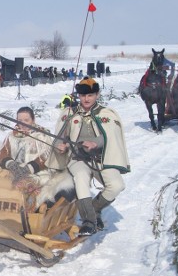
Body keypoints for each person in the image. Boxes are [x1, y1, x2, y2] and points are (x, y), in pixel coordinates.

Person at [50, 77, 130, 236]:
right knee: (80, 177)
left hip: (101, 158)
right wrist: (60, 145)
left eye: (90, 95)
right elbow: (59, 136)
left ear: (97, 95)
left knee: (116, 185)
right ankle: (88, 222)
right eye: (82, 95)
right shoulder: (70, 113)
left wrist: (95, 143)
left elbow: (109, 136)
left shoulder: (107, 114)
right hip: (77, 158)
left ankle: (94, 209)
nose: (86, 99)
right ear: (78, 95)